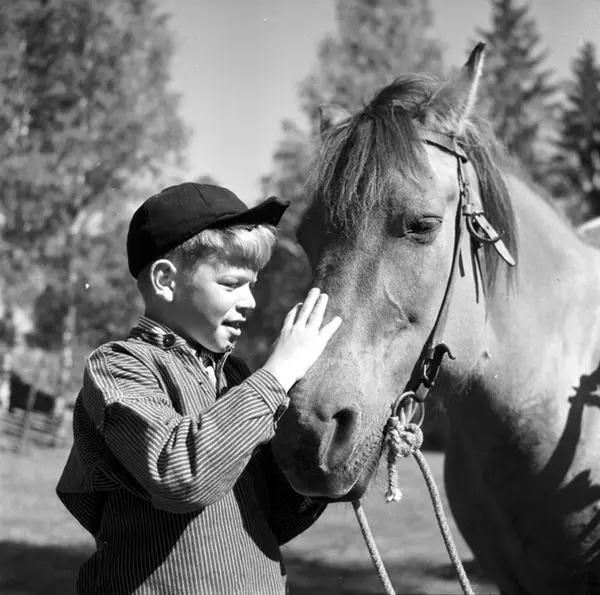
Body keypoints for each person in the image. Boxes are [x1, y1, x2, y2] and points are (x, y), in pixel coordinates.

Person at [56, 182, 342, 595]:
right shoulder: (120, 366)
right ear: (166, 280)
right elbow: (181, 476)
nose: (250, 302)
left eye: (252, 285)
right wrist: (278, 372)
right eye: (231, 284)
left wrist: (330, 447)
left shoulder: (239, 377)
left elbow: (276, 518)